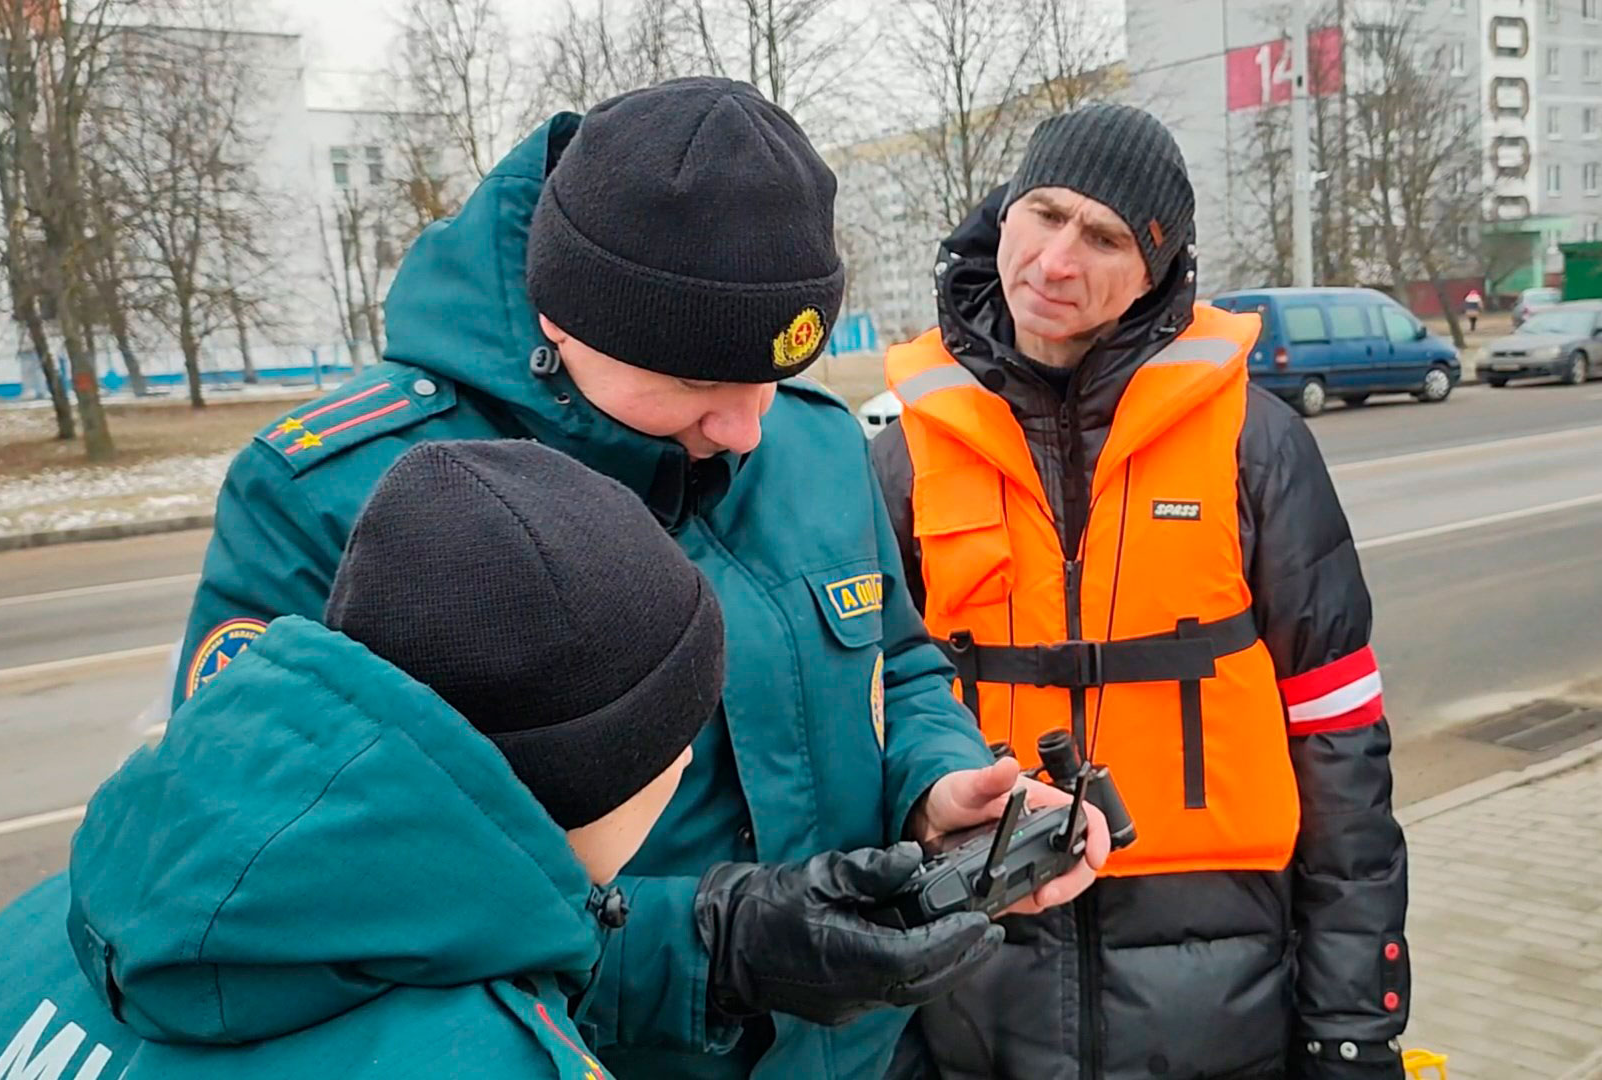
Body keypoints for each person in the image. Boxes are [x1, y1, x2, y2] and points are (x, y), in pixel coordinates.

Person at [160, 77, 1106, 1079]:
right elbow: (280, 892)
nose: (748, 427)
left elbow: (900, 665)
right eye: (700, 381)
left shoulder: (818, 447)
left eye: (773, 377)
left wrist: (938, 785)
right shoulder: (337, 496)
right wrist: (705, 950)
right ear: (566, 322)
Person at [0, 440, 1009, 1077]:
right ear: (603, 772)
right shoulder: (492, 1058)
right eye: (679, 736)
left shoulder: (27, 932)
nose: (688, 770)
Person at [870, 103, 1411, 1079]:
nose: (1056, 260)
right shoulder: (903, 456)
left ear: (1155, 269)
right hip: (980, 999)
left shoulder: (1256, 442)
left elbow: (1343, 750)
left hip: (1224, 1006)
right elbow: (852, 745)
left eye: (1106, 237)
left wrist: (1352, 1025)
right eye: (1042, 214)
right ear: (1005, 215)